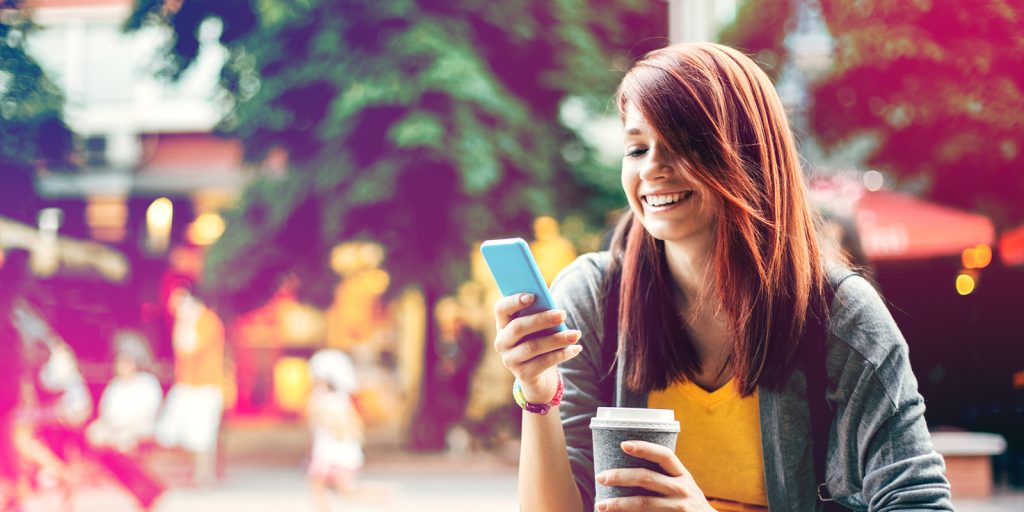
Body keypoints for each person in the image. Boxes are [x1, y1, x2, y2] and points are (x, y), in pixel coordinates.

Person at [491, 42, 951, 512]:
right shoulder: (592, 298)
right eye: (637, 148)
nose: (652, 167)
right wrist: (539, 394)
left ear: (748, 155)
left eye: (684, 145)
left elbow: (921, 503)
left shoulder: (840, 315)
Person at [156, 286, 225, 487]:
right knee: (170, 432)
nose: (176, 309)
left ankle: (204, 476)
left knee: (203, 436)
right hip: (186, 386)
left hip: (206, 387)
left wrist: (184, 322)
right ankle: (188, 475)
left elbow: (189, 346)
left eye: (179, 303)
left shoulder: (207, 321)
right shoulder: (187, 321)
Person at [86, 330, 163, 453]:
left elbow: (149, 411)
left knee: (125, 442)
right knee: (94, 432)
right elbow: (106, 410)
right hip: (115, 427)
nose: (123, 367)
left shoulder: (148, 382)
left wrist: (126, 423)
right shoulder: (115, 385)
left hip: (138, 428)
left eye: (126, 363)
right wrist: (113, 423)